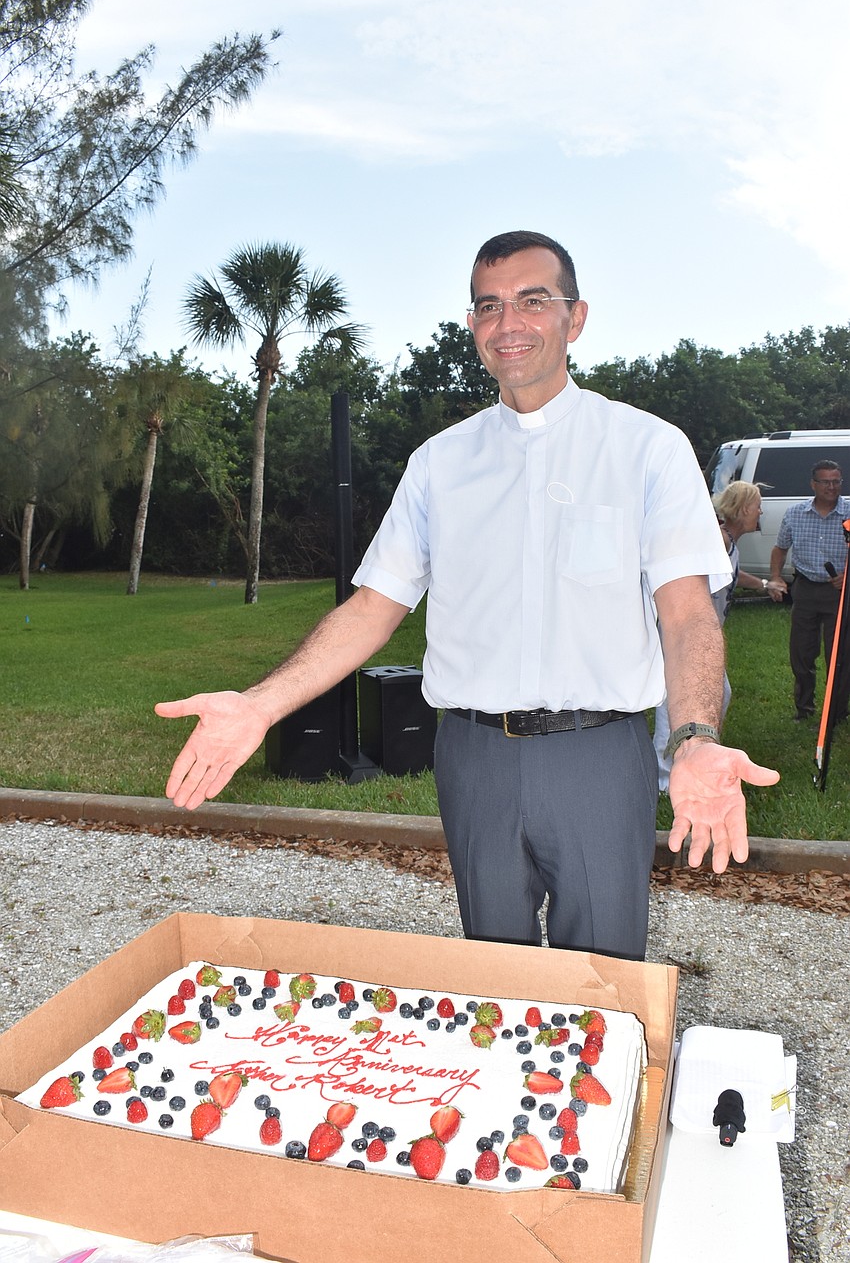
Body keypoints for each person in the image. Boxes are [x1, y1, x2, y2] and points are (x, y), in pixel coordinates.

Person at [156, 230, 779, 961]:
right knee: (491, 970)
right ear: (473, 326)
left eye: (532, 301)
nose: (508, 324)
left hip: (598, 757)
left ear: (574, 319)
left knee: (607, 984)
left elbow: (686, 615)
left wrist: (695, 737)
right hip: (471, 757)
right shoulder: (439, 464)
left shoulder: (647, 448)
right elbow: (371, 609)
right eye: (488, 307)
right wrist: (260, 705)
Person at [654, 481, 765, 790]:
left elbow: (728, 574)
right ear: (744, 509)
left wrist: (765, 586)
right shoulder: (715, 539)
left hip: (700, 639)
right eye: (757, 506)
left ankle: (697, 750)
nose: (761, 511)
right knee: (672, 702)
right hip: (681, 635)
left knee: (720, 691)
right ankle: (664, 778)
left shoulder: (728, 541)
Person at [766, 459, 850, 722]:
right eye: (825, 481)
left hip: (839, 594)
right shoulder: (795, 514)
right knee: (801, 652)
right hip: (804, 590)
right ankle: (804, 709)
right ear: (813, 484)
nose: (831, 487)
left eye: (836, 481)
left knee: (839, 655)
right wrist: (776, 577)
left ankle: (836, 713)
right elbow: (780, 548)